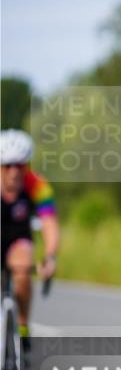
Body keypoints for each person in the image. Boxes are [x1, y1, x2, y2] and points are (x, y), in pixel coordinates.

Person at [1, 129, 59, 356]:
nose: (14, 172)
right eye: (7, 166)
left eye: (20, 165)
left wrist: (50, 256)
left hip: (18, 239)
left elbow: (49, 224)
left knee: (22, 271)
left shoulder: (37, 185)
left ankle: (22, 327)